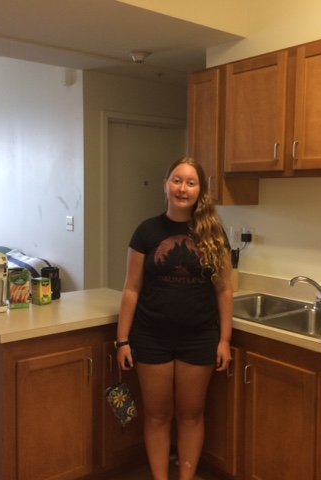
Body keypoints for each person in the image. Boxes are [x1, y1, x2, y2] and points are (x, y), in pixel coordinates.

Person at [115, 156, 233, 480]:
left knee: (192, 415)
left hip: (200, 338)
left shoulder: (213, 233)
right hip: (150, 337)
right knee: (156, 415)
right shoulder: (146, 232)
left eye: (191, 182)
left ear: (200, 190)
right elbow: (131, 289)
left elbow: (224, 291)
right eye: (177, 181)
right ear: (166, 185)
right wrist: (122, 340)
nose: (183, 188)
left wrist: (225, 340)